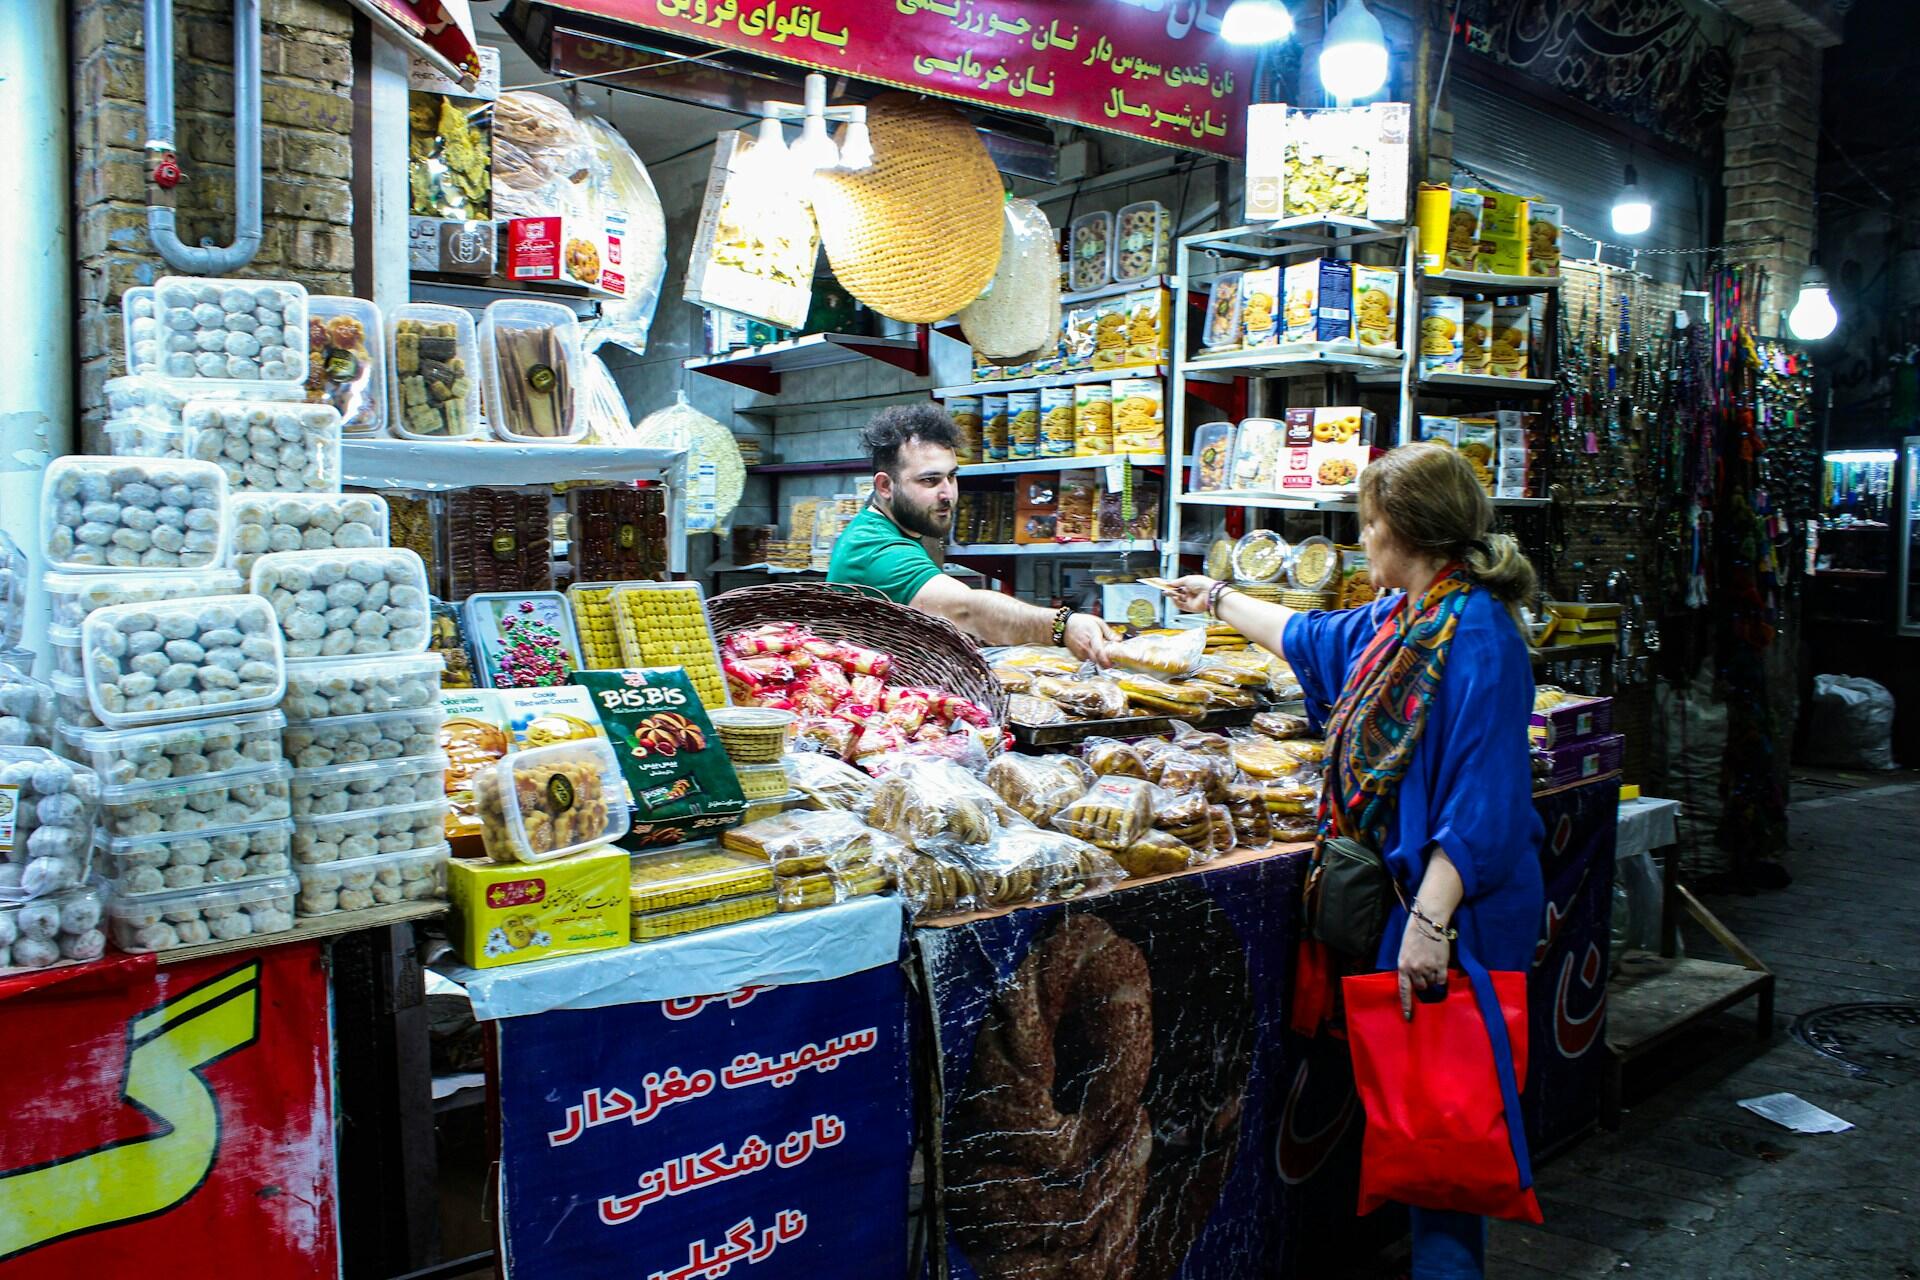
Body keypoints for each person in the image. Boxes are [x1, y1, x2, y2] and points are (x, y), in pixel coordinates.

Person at [1161, 443, 1545, 1280]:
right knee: (1413, 1120)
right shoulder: (1405, 621)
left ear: (1404, 531)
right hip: (1413, 907)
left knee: (1442, 1133)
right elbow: (1305, 635)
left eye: (1368, 525)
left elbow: (1485, 805)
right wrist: (1218, 597)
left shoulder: (1477, 636)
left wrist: (1431, 924)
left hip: (1457, 916)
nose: (1362, 542)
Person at [827, 405, 1115, 666]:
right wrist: (1063, 626)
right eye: (929, 480)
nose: (947, 494)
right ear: (885, 486)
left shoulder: (891, 525)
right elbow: (969, 611)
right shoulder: (873, 550)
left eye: (951, 476)